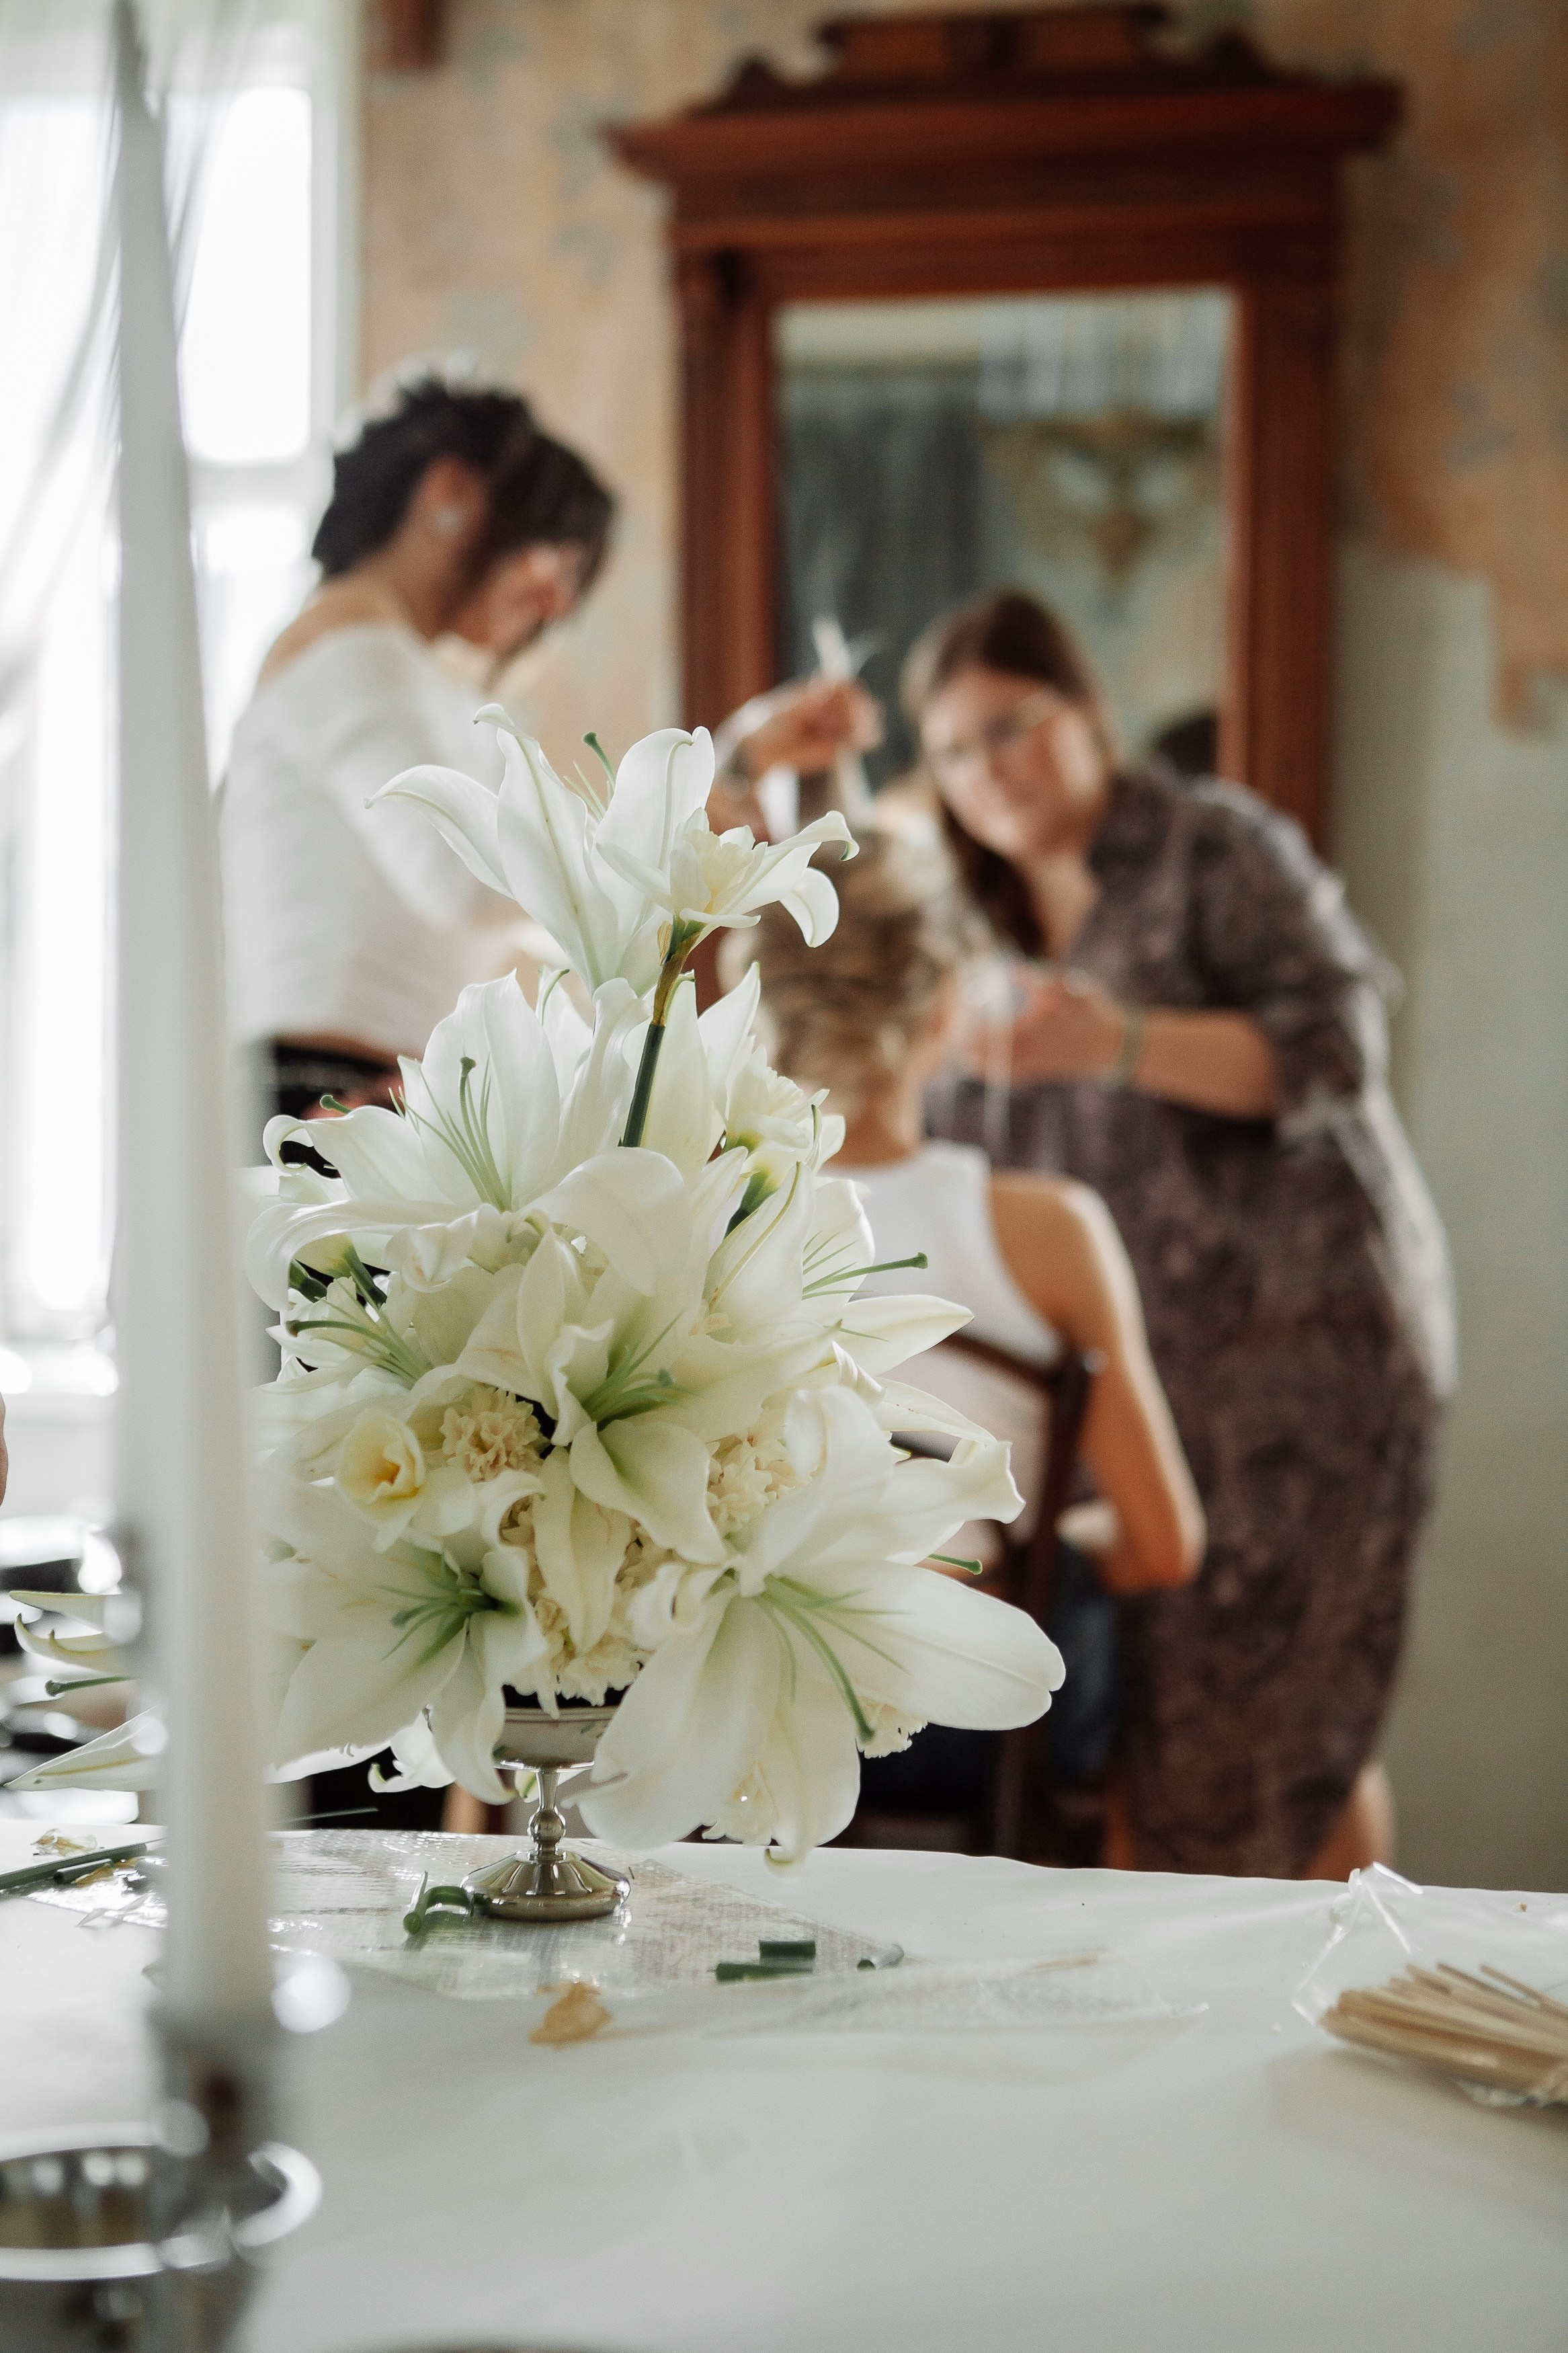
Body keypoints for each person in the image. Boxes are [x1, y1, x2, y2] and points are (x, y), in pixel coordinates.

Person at [905, 588, 1453, 1880]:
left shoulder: (1211, 847)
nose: (986, 772)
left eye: (1010, 728)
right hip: (1119, 1399)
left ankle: (1349, 1987)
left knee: (1284, 1724)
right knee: (1149, 1739)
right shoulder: (958, 914)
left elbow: (1337, 1044)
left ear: (1083, 713)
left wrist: (1118, 1042)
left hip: (1301, 1364)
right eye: (950, 751)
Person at [222, 368, 876, 1131]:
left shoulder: (382, 663)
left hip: (354, 1091)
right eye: (555, 557)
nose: (558, 603)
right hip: (326, 1098)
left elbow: (523, 889)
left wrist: (726, 769)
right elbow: (462, 877)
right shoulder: (351, 648)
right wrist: (699, 784)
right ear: (450, 492)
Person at [735, 832, 1205, 1838]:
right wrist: (1023, 1550)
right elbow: (1166, 1544)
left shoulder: (709, 1222)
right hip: (967, 1724)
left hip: (747, 1693)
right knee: (1070, 1601)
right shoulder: (1049, 1230)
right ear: (944, 1007)